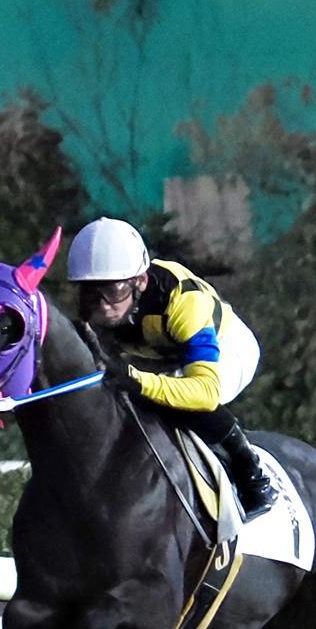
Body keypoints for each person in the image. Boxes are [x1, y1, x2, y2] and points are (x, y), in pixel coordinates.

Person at [67, 216, 275, 519]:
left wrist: (139, 381)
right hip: (165, 355)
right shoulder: (104, 306)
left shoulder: (183, 301)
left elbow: (205, 392)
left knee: (177, 402)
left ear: (139, 281)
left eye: (112, 291)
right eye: (90, 291)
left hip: (227, 350)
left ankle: (252, 475)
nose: (102, 305)